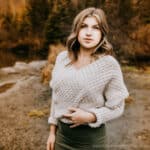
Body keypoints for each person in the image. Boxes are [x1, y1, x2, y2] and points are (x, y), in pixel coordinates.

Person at [47, 7, 129, 150]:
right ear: (76, 30)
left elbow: (117, 107)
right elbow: (56, 96)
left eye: (95, 28)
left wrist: (91, 116)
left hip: (91, 141)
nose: (89, 32)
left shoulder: (108, 65)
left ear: (102, 33)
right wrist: (52, 132)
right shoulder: (62, 58)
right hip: (62, 137)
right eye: (84, 26)